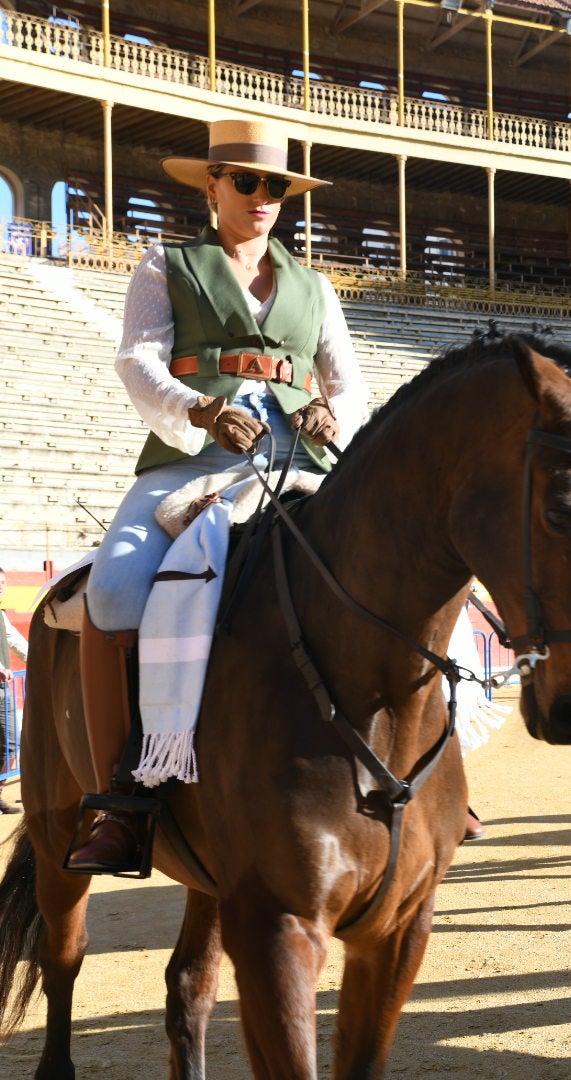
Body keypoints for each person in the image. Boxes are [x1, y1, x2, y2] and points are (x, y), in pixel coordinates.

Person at [66, 117, 372, 874]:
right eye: (246, 181)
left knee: (407, 566)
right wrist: (199, 410)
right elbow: (137, 362)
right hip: (192, 463)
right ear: (213, 186)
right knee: (112, 591)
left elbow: (349, 380)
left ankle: (432, 771)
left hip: (302, 465)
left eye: (276, 186)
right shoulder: (163, 264)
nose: (263, 196)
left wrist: (335, 415)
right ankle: (123, 798)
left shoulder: (316, 286)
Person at [1, 566, 28, 815]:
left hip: (2, 691)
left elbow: (15, 640)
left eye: (3, 583)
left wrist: (39, 662)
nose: (1, 587)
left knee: (9, 744)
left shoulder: (1, 615)